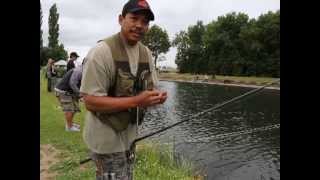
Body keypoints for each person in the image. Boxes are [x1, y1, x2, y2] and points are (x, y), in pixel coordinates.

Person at [80, 0, 167, 179]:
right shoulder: (101, 52)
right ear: (121, 19)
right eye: (134, 18)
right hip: (106, 142)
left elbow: (148, 90)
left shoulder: (147, 54)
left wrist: (155, 98)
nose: (139, 26)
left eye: (145, 22)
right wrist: (137, 101)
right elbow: (90, 101)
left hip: (130, 138)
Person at [54, 62, 84, 132]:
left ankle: (70, 124)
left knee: (74, 109)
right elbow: (72, 83)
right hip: (63, 91)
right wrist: (80, 94)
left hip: (68, 92)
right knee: (69, 109)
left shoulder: (82, 70)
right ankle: (69, 127)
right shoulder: (79, 71)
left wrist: (79, 95)